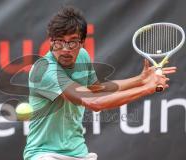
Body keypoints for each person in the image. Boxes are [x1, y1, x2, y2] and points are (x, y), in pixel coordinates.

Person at [23, 6, 176, 160]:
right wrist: (147, 89)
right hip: (44, 154)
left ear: (82, 42)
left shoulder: (82, 56)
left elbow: (96, 90)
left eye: (72, 42)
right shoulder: (44, 70)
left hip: (78, 153)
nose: (65, 49)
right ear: (50, 42)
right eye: (59, 42)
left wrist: (140, 80)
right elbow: (95, 102)